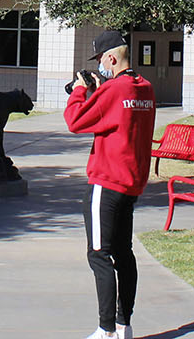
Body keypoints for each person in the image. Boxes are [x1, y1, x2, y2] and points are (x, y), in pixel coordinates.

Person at [66, 29, 156, 339]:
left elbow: (75, 121)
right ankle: (123, 324)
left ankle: (105, 330)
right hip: (131, 182)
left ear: (111, 58)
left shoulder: (113, 91)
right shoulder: (144, 88)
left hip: (106, 182)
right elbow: (119, 117)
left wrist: (80, 90)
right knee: (123, 253)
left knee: (99, 254)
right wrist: (101, 89)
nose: (100, 65)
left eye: (102, 60)